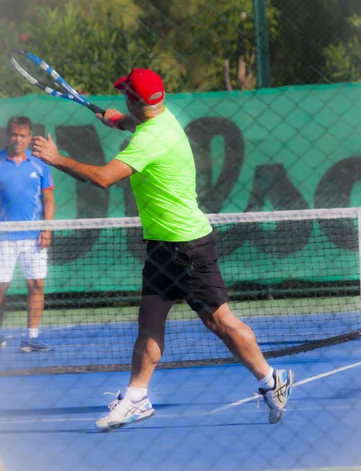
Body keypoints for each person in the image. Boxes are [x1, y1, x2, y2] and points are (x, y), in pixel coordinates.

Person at [32, 68, 294, 428]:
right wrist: (119, 120)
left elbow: (103, 178)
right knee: (149, 326)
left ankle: (271, 380)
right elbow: (138, 123)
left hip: (187, 246)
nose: (123, 97)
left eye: (126, 94)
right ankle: (137, 398)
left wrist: (55, 158)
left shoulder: (150, 139)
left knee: (220, 321)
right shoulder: (162, 119)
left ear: (135, 100)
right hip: (161, 247)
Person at [0, 116, 55, 352]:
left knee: (36, 285)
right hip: (3, 236)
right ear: (7, 135)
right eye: (14, 135)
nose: (18, 139)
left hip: (34, 237)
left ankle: (31, 338)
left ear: (30, 137)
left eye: (23, 135)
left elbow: (49, 199)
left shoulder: (39, 163)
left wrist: (47, 227)